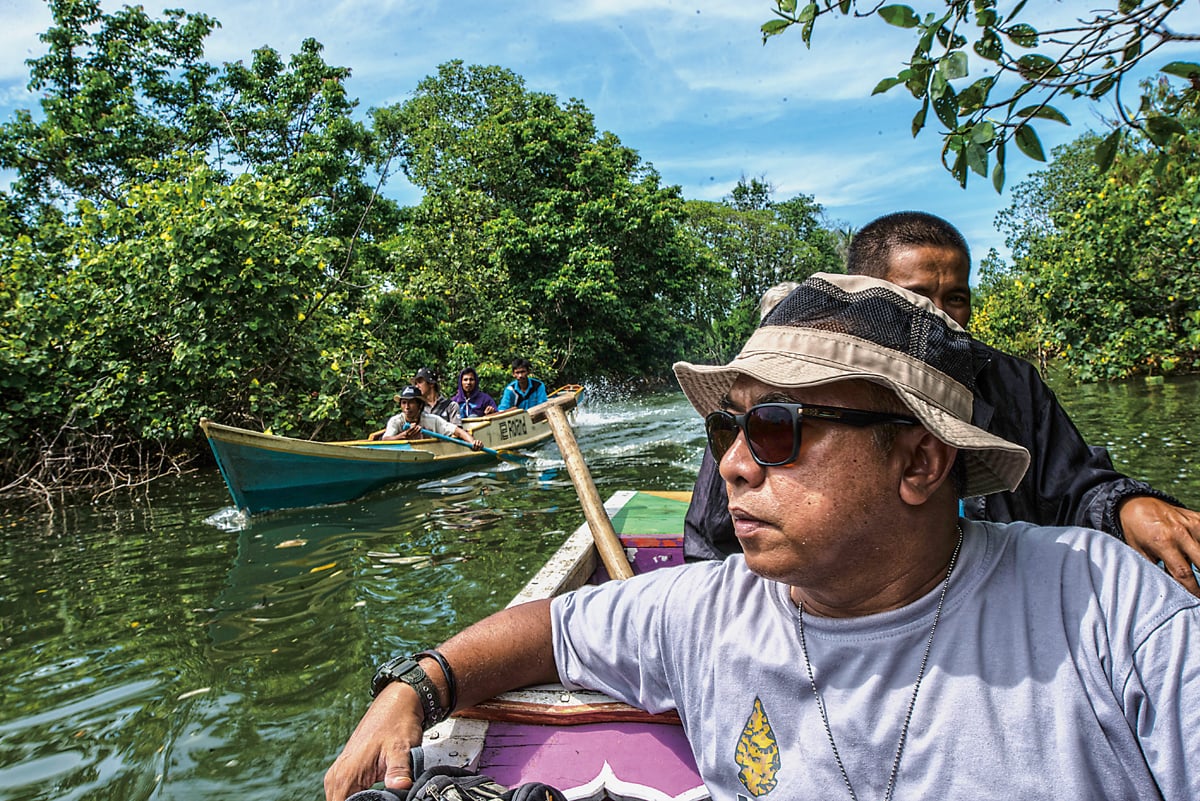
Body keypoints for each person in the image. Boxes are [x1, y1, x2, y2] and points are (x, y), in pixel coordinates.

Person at [325, 273, 1199, 801]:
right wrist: (417, 685)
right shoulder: (708, 609)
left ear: (922, 462)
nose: (735, 466)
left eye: (777, 427)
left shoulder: (1106, 607)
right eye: (726, 430)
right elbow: (550, 629)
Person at [685, 212, 1200, 596]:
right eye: (913, 297)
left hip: (991, 598)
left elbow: (1070, 487)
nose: (939, 316)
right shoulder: (773, 389)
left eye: (955, 298)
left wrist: (1126, 505)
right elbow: (713, 541)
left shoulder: (1007, 380)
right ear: (860, 297)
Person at [368, 385, 481, 450]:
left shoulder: (432, 420)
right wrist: (404, 436)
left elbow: (458, 431)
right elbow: (385, 440)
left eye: (411, 403)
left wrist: (472, 443)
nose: (407, 407)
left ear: (420, 405)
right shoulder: (396, 421)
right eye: (404, 403)